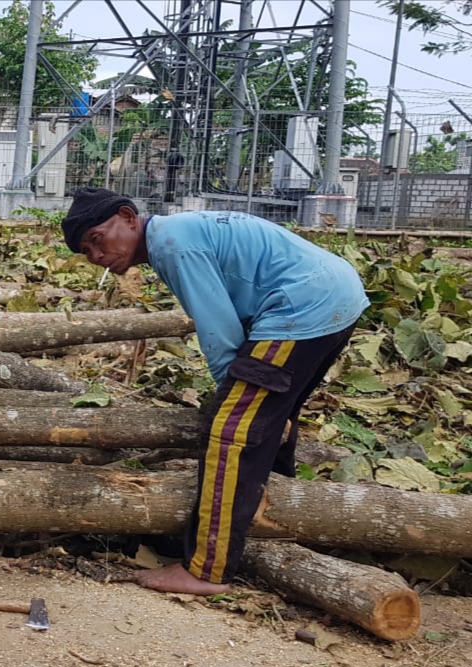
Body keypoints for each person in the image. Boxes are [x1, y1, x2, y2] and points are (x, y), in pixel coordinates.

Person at [60, 188, 368, 595]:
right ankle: (274, 522)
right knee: (273, 419)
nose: (97, 256)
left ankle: (206, 569)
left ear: (128, 216)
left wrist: (232, 397)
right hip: (335, 295)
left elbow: (219, 331)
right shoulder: (176, 233)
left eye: (98, 240)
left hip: (300, 305)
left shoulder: (171, 244)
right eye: (87, 252)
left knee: (230, 433)